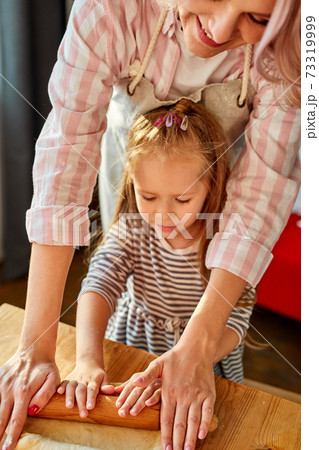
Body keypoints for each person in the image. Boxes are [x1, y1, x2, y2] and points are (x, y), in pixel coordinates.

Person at [0, 1, 300, 449]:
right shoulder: (109, 9)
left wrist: (199, 351)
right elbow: (65, 155)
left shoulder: (299, 41)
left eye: (256, 19)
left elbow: (260, 196)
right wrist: (39, 345)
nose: (219, 30)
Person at [55, 99, 255, 426]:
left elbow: (236, 319)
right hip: (131, 355)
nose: (162, 214)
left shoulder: (230, 239)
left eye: (182, 199)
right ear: (133, 180)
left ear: (212, 185)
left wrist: (192, 362)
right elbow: (98, 285)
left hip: (206, 362)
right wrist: (88, 360)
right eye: (149, 197)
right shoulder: (132, 231)